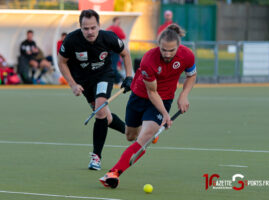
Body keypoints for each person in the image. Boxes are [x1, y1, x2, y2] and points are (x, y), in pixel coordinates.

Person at [99, 24, 197, 189]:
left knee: (144, 139)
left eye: (171, 50)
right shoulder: (149, 59)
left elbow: (191, 75)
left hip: (164, 99)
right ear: (159, 45)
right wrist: (167, 115)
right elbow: (152, 92)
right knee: (131, 136)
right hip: (140, 96)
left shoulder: (187, 55)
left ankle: (113, 173)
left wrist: (184, 95)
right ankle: (147, 134)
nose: (167, 54)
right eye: (164, 50)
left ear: (178, 47)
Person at [58, 9, 133, 171]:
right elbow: (62, 62)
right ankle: (131, 131)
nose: (90, 32)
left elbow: (125, 54)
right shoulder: (71, 40)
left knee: (99, 110)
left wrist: (128, 77)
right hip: (84, 81)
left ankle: (96, 157)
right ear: (80, 27)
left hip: (104, 76)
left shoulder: (109, 37)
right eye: (86, 28)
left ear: (99, 25)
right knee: (105, 116)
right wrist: (72, 84)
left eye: (93, 27)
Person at [106, 17, 126, 84]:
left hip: (112, 50)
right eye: (118, 21)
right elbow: (123, 36)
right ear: (115, 21)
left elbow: (123, 36)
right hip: (113, 50)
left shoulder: (110, 28)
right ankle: (117, 80)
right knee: (113, 66)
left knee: (113, 66)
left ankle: (117, 80)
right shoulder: (115, 28)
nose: (119, 22)